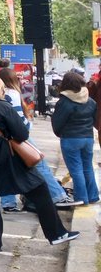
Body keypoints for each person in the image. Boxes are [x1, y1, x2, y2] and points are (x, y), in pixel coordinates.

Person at [0, 75, 77, 250]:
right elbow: (22, 134)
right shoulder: (4, 107)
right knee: (40, 190)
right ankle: (56, 233)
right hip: (7, 159)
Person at [0, 68, 74, 211]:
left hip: (1, 137)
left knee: (7, 168)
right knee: (39, 163)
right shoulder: (12, 94)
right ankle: (58, 196)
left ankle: (8, 203)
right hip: (18, 136)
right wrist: (27, 125)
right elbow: (19, 119)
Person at [50, 72, 99, 205]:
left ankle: (82, 198)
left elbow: (58, 123)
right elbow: (95, 120)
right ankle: (93, 196)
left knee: (76, 170)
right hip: (88, 138)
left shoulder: (64, 102)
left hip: (70, 138)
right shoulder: (90, 101)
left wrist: (60, 133)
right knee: (87, 167)